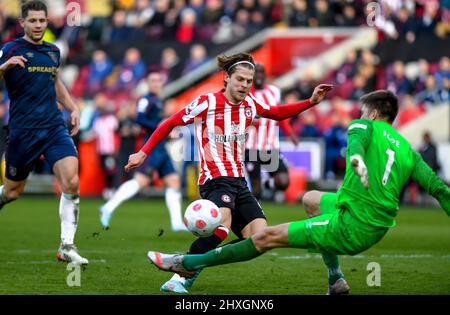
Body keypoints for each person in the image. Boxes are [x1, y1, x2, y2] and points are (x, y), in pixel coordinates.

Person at [146, 90, 450, 294]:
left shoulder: (362, 126)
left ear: (371, 112)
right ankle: (335, 279)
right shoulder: (408, 150)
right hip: (371, 219)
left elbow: (356, 147)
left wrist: (356, 161)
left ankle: (186, 264)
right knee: (311, 199)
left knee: (263, 238)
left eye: (362, 110)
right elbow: (437, 187)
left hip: (353, 225)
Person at [124, 52, 332, 293]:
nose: (244, 85)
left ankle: (187, 264)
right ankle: (180, 278)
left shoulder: (250, 104)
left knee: (259, 238)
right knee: (222, 226)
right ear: (227, 78)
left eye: (249, 81)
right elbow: (169, 122)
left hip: (238, 181)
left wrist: (311, 102)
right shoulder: (207, 102)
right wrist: (142, 152)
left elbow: (276, 113)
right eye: (240, 79)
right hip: (214, 178)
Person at [0, 1, 88, 264]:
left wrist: (72, 107)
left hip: (53, 127)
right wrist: (4, 69)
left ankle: (67, 246)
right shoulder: (9, 49)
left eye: (42, 20)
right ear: (23, 23)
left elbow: (55, 80)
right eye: (33, 21)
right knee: (13, 192)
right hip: (23, 131)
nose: (38, 25)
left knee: (71, 181)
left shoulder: (53, 51)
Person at [100, 72, 186, 232]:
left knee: (174, 181)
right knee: (141, 181)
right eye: (153, 80)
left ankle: (176, 223)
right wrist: (160, 127)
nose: (156, 83)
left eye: (159, 80)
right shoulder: (146, 99)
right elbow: (139, 118)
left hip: (161, 146)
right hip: (152, 146)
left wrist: (165, 131)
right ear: (148, 83)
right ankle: (108, 207)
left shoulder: (158, 100)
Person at [245, 64, 299, 200]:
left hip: (271, 147)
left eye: (261, 72)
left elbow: (279, 114)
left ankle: (266, 183)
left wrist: (290, 133)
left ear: (265, 75)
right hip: (251, 148)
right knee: (256, 192)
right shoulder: (246, 94)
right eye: (255, 73)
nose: (258, 75)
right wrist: (249, 121)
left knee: (283, 182)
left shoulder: (274, 91)